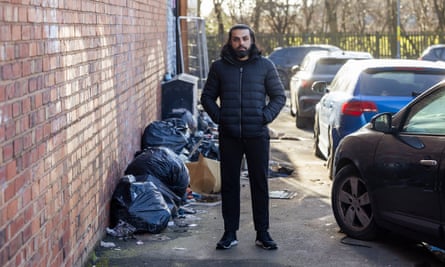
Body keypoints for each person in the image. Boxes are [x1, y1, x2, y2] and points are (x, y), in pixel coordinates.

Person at [200, 24, 286, 250]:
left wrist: (264, 117)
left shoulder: (265, 66)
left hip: (257, 135)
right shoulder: (219, 68)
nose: (241, 43)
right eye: (236, 39)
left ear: (252, 40)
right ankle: (230, 233)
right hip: (229, 136)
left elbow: (278, 96)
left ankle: (263, 233)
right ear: (230, 42)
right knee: (229, 185)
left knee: (260, 184)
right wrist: (221, 118)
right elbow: (207, 97)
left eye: (245, 39)